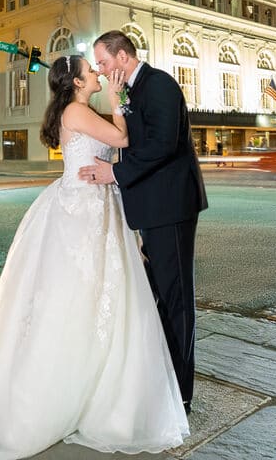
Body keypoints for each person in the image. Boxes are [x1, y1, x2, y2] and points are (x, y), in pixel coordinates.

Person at [0, 55, 188, 459]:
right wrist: (116, 98)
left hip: (94, 204)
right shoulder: (76, 109)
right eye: (90, 70)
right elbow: (121, 141)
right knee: (76, 295)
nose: (96, 74)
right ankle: (55, 391)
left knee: (95, 296)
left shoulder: (78, 109)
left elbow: (111, 150)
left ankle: (93, 381)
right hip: (81, 210)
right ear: (75, 81)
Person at [79, 30, 208, 415]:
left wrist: (114, 173)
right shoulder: (132, 91)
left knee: (176, 300)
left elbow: (162, 145)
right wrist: (120, 101)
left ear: (122, 57)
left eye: (102, 62)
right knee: (158, 299)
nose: (100, 71)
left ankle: (181, 394)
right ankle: (163, 380)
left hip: (171, 206)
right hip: (152, 208)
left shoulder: (160, 84)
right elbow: (131, 137)